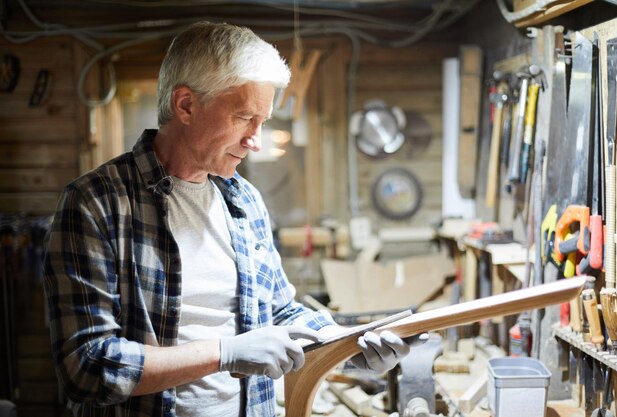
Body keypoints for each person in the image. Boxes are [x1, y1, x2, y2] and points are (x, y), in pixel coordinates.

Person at [44, 21, 415, 417]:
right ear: (185, 105)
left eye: (263, 122)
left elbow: (279, 312)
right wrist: (226, 353)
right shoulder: (96, 203)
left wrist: (346, 344)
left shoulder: (243, 200)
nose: (255, 140)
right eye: (243, 117)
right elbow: (86, 366)